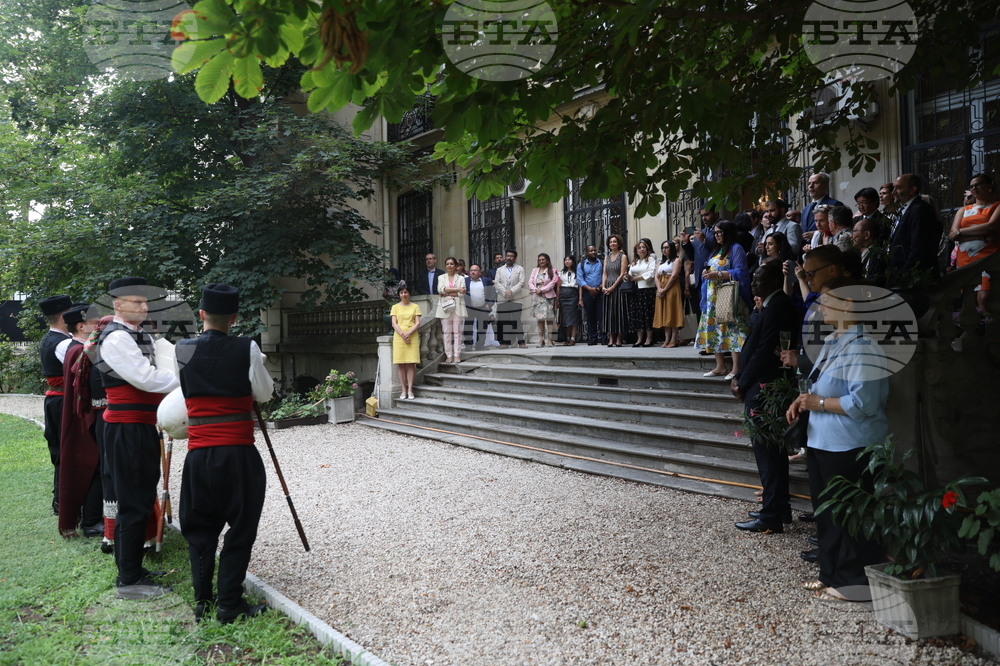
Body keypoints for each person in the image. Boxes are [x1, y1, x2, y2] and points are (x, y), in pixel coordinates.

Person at [177, 283, 275, 623]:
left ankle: (203, 601)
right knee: (241, 528)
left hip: (199, 455)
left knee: (200, 528)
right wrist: (256, 362)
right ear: (233, 318)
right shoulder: (246, 347)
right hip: (237, 454)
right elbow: (263, 394)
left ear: (202, 315)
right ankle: (229, 604)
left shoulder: (181, 349)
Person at [787, 277, 888, 602]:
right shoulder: (835, 341)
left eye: (827, 302)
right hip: (822, 441)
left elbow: (864, 403)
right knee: (827, 513)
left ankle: (854, 583)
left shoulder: (862, 346)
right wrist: (804, 400)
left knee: (849, 515)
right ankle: (831, 574)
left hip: (850, 444)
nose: (820, 307)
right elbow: (821, 385)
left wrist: (817, 403)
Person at [94, 277, 179, 597]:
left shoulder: (137, 334)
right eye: (137, 302)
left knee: (142, 497)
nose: (144, 307)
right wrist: (187, 382)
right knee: (133, 503)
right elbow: (146, 379)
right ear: (118, 305)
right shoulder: (116, 338)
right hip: (126, 428)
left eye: (145, 302)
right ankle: (128, 578)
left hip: (140, 426)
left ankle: (132, 568)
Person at [733, 262, 800, 532]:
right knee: (770, 452)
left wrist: (742, 381)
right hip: (762, 384)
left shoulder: (779, 305)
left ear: (773, 280)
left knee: (768, 452)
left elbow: (764, 350)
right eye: (753, 279)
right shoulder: (772, 305)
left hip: (765, 387)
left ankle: (772, 513)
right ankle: (778, 506)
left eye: (759, 279)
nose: (753, 284)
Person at [57, 303, 103, 538]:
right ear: (81, 326)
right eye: (95, 324)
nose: (98, 327)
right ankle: (92, 522)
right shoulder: (79, 350)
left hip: (81, 415)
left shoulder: (79, 348)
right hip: (85, 417)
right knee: (95, 467)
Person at [697, 221, 752, 379]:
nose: (717, 235)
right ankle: (720, 366)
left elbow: (741, 272)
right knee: (714, 330)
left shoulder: (736, 248)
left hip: (728, 295)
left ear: (728, 233)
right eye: (715, 233)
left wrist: (718, 275)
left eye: (720, 232)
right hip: (712, 296)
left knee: (733, 330)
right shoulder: (716, 249)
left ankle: (736, 368)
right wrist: (707, 273)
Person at [39, 294, 74, 514]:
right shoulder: (63, 342)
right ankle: (63, 501)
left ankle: (61, 500)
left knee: (60, 449)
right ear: (64, 316)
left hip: (55, 400)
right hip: (63, 401)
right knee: (67, 451)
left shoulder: (48, 338)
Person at [949, 173, 999, 310]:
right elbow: (953, 234)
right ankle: (977, 327)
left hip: (988, 256)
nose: (974, 188)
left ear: (989, 186)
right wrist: (981, 235)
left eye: (979, 184)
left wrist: (961, 232)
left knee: (984, 297)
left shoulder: (997, 206)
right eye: (971, 186)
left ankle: (987, 328)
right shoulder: (963, 210)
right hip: (965, 257)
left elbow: (991, 226)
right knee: (969, 299)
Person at [888, 174, 943, 286]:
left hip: (914, 278)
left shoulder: (919, 209)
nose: (893, 192)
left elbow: (918, 246)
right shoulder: (906, 209)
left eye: (898, 188)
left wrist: (906, 273)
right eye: (894, 188)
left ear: (912, 189)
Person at [391, 286, 421, 399]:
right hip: (399, 337)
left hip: (412, 335)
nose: (404, 294)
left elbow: (417, 323)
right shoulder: (395, 307)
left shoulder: (415, 307)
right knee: (401, 364)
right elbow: (394, 323)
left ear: (409, 293)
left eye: (406, 292)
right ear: (399, 294)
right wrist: (403, 334)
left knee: (411, 364)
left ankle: (410, 390)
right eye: (401, 292)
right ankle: (403, 390)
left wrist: (408, 333)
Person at [436, 257, 468, 363]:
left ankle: (457, 355)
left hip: (458, 306)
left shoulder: (461, 278)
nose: (449, 266)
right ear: (445, 266)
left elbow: (462, 293)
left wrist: (447, 292)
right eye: (447, 264)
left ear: (456, 266)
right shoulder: (441, 277)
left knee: (458, 332)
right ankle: (449, 355)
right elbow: (440, 289)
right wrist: (456, 289)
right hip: (445, 307)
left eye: (451, 264)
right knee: (446, 332)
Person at [626, 238, 657, 347]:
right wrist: (628, 277)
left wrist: (636, 278)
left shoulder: (651, 259)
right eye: (639, 248)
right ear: (636, 250)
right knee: (637, 314)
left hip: (648, 289)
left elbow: (651, 275)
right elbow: (628, 277)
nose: (641, 249)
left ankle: (649, 338)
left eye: (644, 247)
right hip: (636, 290)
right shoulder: (635, 262)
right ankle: (639, 338)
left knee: (647, 314)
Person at [653, 240, 684, 347]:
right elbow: (656, 276)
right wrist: (659, 288)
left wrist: (665, 289)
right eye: (663, 248)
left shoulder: (676, 260)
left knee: (672, 311)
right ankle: (666, 339)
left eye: (666, 247)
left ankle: (673, 339)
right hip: (661, 287)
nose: (664, 250)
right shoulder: (660, 262)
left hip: (671, 287)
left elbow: (674, 275)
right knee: (664, 313)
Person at [494, 250, 526, 348]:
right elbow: (496, 282)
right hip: (502, 299)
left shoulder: (520, 269)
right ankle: (505, 342)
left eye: (511, 256)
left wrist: (511, 291)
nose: (509, 258)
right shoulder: (499, 270)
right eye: (507, 256)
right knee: (504, 320)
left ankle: (521, 341)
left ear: (515, 258)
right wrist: (505, 292)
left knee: (516, 320)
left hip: (515, 299)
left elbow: (521, 283)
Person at [601, 234, 629, 347]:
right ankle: (611, 337)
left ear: (618, 243)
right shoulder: (606, 257)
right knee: (609, 313)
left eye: (614, 242)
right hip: (607, 286)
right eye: (610, 242)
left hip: (618, 286)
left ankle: (619, 338)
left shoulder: (623, 256)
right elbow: (604, 273)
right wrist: (603, 286)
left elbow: (622, 273)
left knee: (619, 312)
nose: (612, 243)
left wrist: (613, 287)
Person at [529, 253, 559, 347]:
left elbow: (552, 283)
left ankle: (550, 340)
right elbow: (530, 282)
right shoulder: (535, 270)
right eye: (539, 260)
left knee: (549, 319)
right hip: (537, 298)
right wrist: (535, 290)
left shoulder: (552, 271)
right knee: (540, 319)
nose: (541, 261)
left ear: (547, 260)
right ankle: (541, 340)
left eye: (543, 259)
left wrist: (541, 289)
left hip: (548, 297)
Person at [577, 245, 604, 345]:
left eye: (595, 250)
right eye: (591, 251)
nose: (594, 252)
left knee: (601, 315)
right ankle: (592, 338)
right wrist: (590, 289)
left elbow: (605, 276)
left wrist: (599, 287)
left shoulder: (601, 262)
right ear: (587, 253)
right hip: (588, 293)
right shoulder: (582, 265)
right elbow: (580, 280)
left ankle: (603, 337)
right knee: (590, 316)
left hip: (600, 291)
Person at [464, 264, 493, 350]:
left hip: (483, 308)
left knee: (482, 327)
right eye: (471, 270)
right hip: (469, 308)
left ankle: (480, 345)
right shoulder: (465, 281)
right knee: (468, 327)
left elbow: (492, 293)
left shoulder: (486, 281)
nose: (473, 272)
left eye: (475, 270)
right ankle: (468, 345)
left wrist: (489, 304)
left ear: (480, 272)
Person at [852, 217, 886, 287]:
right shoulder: (860, 255)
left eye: (854, 231)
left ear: (866, 234)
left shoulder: (876, 257)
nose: (851, 236)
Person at [558, 256, 581, 345]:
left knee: (574, 318)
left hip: (573, 294)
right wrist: (557, 299)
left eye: (569, 260)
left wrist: (580, 298)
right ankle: (567, 338)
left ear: (573, 261)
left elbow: (579, 286)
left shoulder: (577, 272)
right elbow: (559, 287)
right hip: (564, 295)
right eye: (565, 260)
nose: (567, 262)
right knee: (566, 319)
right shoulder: (561, 273)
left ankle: (573, 338)